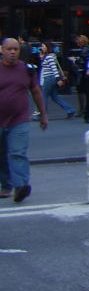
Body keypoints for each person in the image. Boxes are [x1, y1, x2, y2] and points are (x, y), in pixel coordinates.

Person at [0, 37, 47, 202]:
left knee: (17, 153)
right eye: (9, 49)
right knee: (1, 156)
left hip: (19, 119)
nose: (13, 52)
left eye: (16, 49)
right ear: (2, 50)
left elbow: (36, 92)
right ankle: (6, 185)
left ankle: (20, 187)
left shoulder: (27, 70)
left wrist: (43, 114)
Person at [38, 40, 73, 119]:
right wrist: (42, 58)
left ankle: (42, 115)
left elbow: (54, 69)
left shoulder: (49, 57)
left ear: (47, 47)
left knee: (44, 96)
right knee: (55, 97)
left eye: (43, 46)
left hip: (49, 79)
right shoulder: (50, 56)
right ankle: (70, 110)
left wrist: (58, 80)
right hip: (51, 79)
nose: (42, 48)